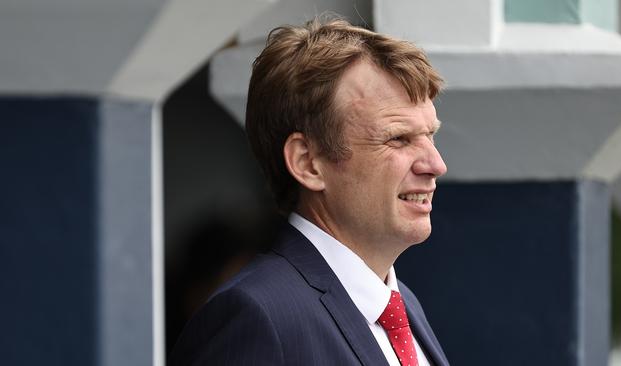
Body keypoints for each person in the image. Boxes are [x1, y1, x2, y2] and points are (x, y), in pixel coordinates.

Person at [170, 16, 449, 366]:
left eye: (430, 135)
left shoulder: (400, 305)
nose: (436, 164)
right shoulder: (257, 316)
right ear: (307, 162)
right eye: (398, 138)